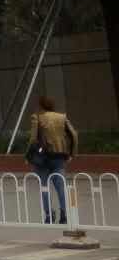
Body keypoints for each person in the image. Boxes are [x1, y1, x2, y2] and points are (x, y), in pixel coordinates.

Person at [26, 95, 79, 225]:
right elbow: (74, 135)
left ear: (41, 105)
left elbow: (33, 139)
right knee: (60, 187)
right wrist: (71, 154)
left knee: (44, 187)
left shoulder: (37, 118)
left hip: (42, 158)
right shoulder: (62, 117)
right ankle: (64, 215)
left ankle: (49, 215)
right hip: (59, 157)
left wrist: (28, 157)